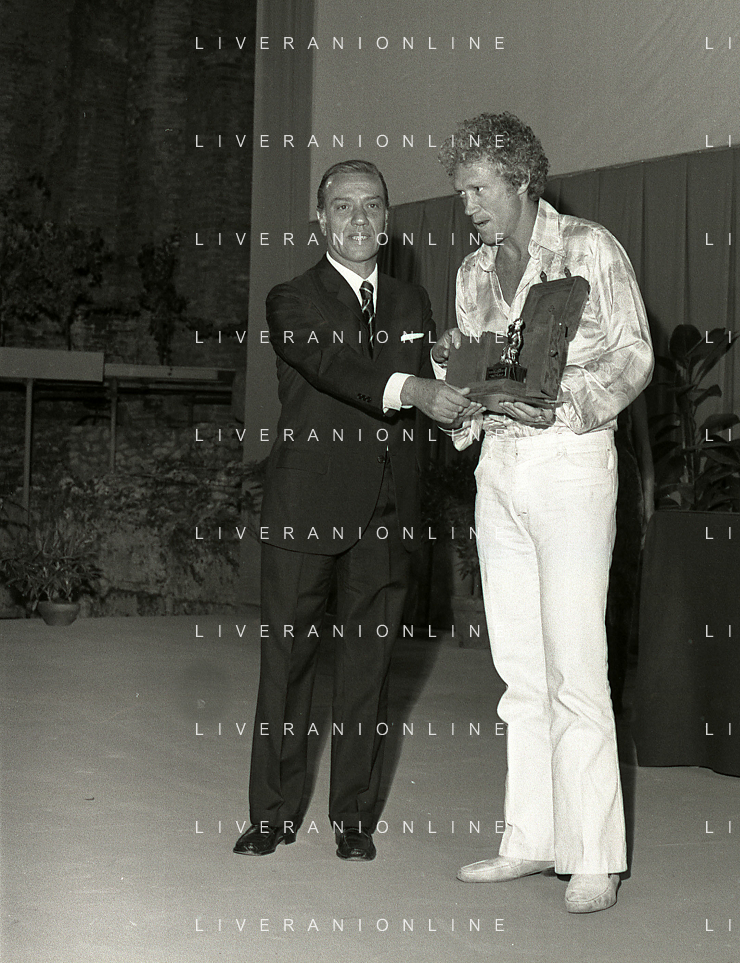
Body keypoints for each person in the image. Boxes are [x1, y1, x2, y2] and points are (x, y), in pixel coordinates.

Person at [431, 113, 653, 913]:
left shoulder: (590, 247)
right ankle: (530, 836)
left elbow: (635, 354)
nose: (468, 206)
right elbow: (472, 380)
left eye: (479, 189)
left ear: (522, 179)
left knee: (575, 664)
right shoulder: (471, 272)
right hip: (499, 469)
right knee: (519, 668)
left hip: (571, 464)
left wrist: (563, 401)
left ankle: (593, 855)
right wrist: (452, 385)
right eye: (462, 192)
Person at [235, 159, 478, 863]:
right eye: (343, 206)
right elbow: (337, 367)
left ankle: (354, 817)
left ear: (388, 219)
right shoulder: (291, 299)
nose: (359, 219)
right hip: (305, 508)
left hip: (388, 511)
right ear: (320, 219)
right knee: (287, 666)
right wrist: (416, 387)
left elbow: (433, 386)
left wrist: (449, 365)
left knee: (370, 670)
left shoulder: (411, 301)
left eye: (372, 206)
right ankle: (271, 815)